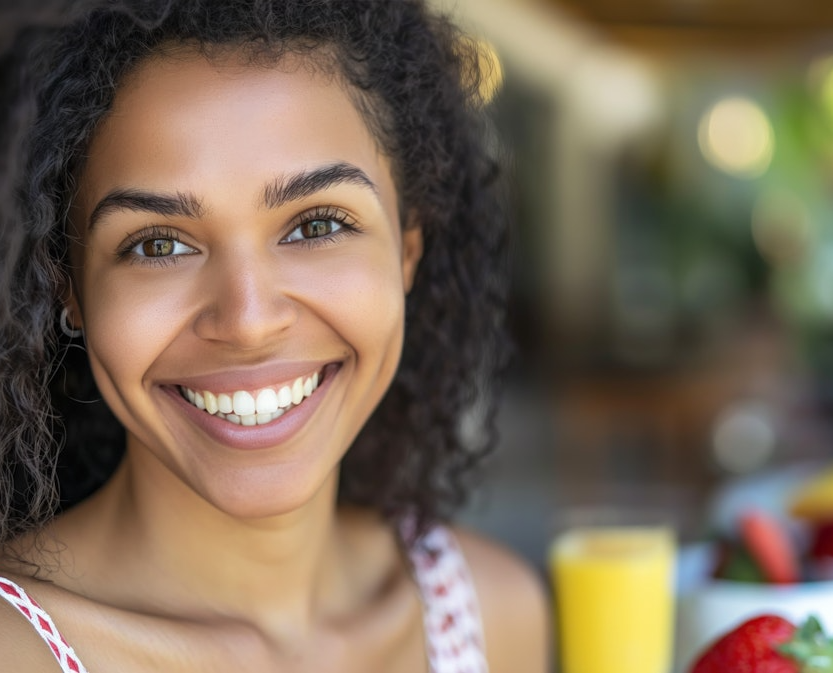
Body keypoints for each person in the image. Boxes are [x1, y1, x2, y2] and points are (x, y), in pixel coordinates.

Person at [0, 0, 549, 671]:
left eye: (316, 226)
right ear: (70, 288)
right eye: (159, 243)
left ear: (408, 250)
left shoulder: (491, 613)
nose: (249, 320)